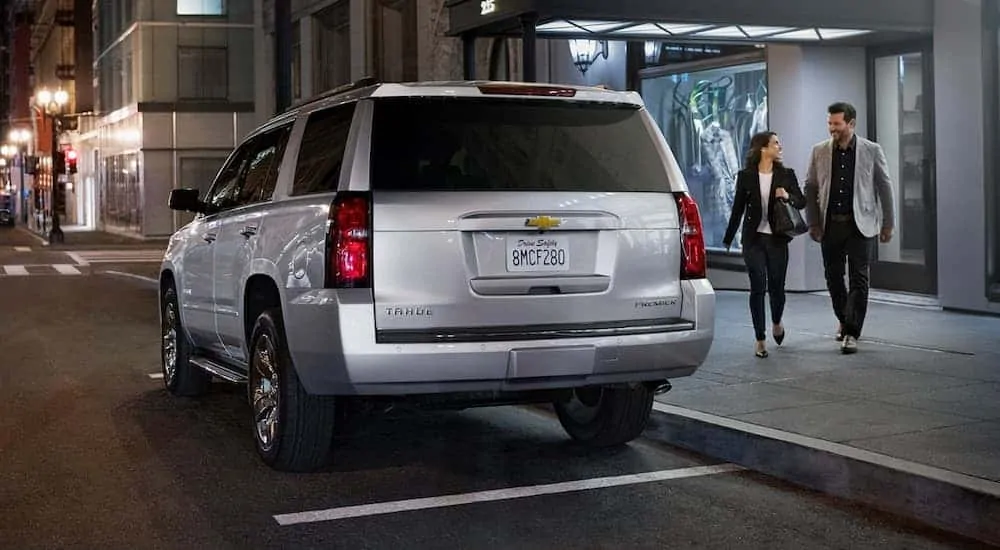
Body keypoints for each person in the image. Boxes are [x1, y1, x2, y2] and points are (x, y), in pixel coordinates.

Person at [804, 102, 895, 354]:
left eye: (837, 124)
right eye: (829, 123)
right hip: (830, 225)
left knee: (859, 278)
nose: (832, 128)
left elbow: (884, 187)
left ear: (851, 124)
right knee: (833, 277)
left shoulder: (871, 150)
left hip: (860, 225)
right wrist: (812, 222)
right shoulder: (819, 151)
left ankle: (852, 332)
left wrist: (888, 223)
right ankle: (845, 319)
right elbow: (810, 186)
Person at [724, 131, 806, 358]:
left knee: (777, 287)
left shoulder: (786, 174)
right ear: (763, 148)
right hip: (754, 240)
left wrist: (787, 195)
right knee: (757, 287)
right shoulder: (746, 176)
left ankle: (777, 321)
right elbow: (738, 209)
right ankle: (760, 339)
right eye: (776, 143)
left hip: (778, 239)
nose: (780, 146)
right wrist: (729, 238)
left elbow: (802, 201)